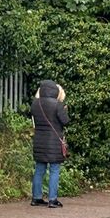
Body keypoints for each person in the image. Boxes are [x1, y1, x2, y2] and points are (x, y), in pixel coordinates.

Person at [30, 80, 69, 208]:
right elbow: (65, 121)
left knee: (39, 169)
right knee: (54, 170)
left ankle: (36, 198)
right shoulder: (57, 105)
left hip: (39, 140)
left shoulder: (35, 104)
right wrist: (65, 111)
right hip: (53, 142)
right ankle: (52, 199)